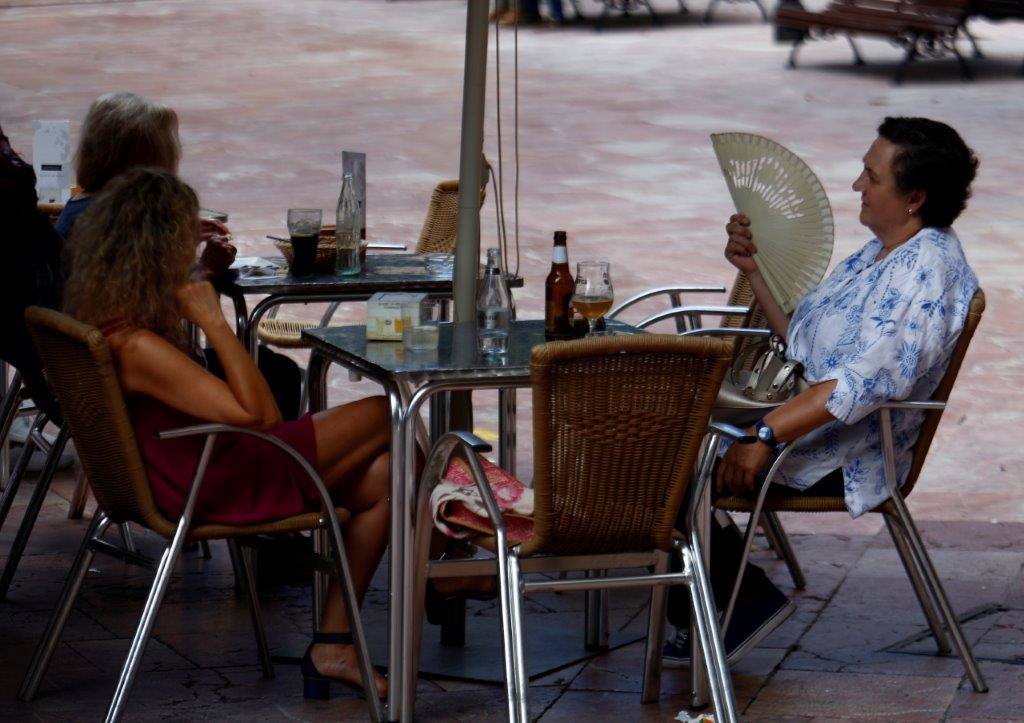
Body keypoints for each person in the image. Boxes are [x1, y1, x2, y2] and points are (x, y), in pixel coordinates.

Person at [664, 116, 980, 666]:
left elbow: (859, 383)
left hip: (845, 448)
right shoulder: (878, 253)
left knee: (659, 474)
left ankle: (734, 604)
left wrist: (764, 433)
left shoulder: (928, 271)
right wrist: (753, 270)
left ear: (914, 197)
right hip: (805, 423)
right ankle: (734, 599)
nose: (858, 185)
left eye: (871, 176)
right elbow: (806, 343)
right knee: (651, 446)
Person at [63, 167, 390, 698]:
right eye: (180, 241)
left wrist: (202, 275)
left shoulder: (111, 317)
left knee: (388, 477)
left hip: (186, 468)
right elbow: (263, 418)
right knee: (383, 412)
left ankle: (335, 645)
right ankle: (446, 560)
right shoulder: (137, 346)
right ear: (155, 251)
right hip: (211, 481)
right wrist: (213, 320)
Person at [58, 92, 301, 419]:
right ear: (145, 156)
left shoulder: (87, 208)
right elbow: (147, 311)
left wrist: (165, 234)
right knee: (276, 371)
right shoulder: (110, 222)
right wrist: (203, 271)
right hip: (153, 382)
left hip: (114, 381)